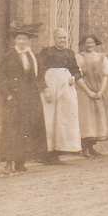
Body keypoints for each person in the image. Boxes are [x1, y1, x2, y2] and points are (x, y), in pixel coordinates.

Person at [0, 29, 47, 173]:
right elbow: (1, 78)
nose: (22, 42)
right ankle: (8, 162)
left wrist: (41, 89)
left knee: (26, 129)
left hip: (29, 98)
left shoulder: (32, 57)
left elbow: (39, 75)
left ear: (28, 41)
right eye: (19, 39)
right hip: (13, 98)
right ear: (15, 41)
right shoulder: (8, 56)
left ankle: (20, 162)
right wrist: (7, 95)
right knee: (11, 130)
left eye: (24, 39)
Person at [39, 27, 83, 163]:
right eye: (60, 38)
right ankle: (48, 153)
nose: (63, 40)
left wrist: (73, 78)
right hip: (50, 87)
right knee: (49, 118)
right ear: (54, 38)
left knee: (63, 118)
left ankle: (60, 149)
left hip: (65, 89)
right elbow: (39, 71)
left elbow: (77, 71)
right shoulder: (46, 52)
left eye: (64, 38)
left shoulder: (70, 53)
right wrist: (44, 88)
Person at [76, 36, 108, 157]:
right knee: (87, 119)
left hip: (99, 90)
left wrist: (100, 91)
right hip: (84, 90)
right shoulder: (79, 57)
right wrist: (89, 92)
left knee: (98, 119)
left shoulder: (101, 57)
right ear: (83, 44)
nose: (89, 45)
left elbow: (105, 75)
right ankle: (84, 147)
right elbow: (78, 76)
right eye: (87, 42)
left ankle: (92, 147)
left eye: (91, 42)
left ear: (95, 44)